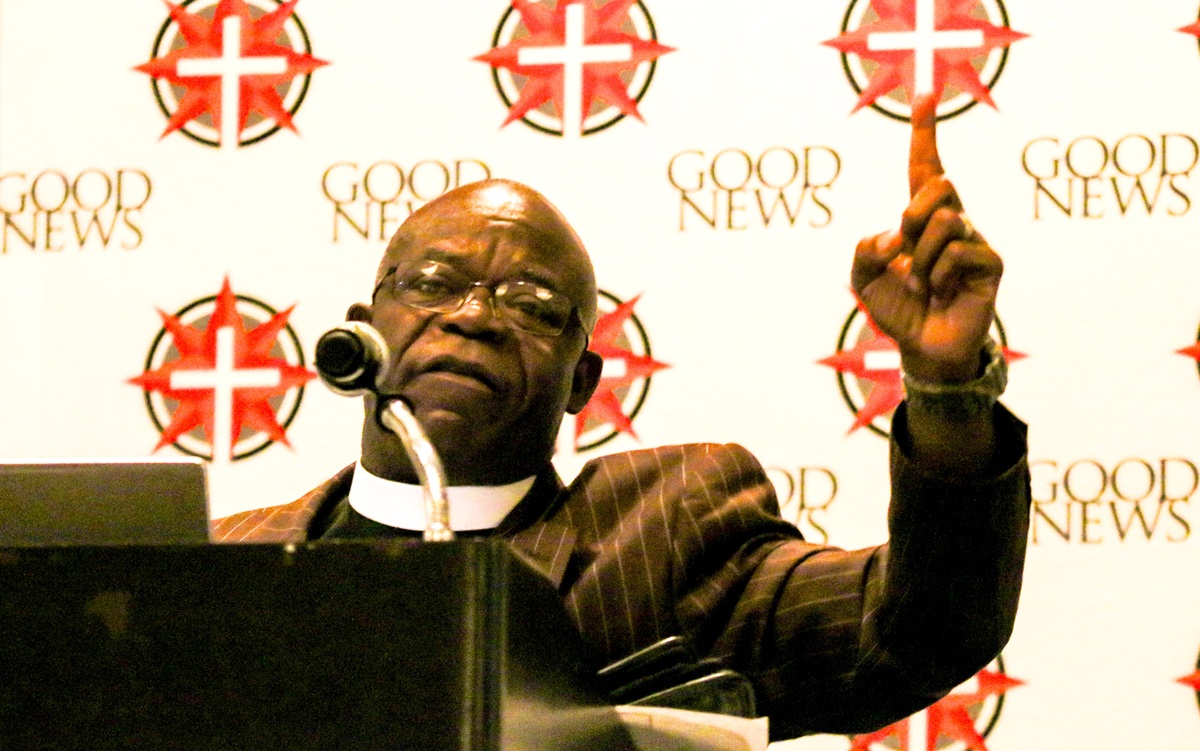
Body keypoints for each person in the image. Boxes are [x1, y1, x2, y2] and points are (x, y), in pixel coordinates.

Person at [213, 96, 1030, 741]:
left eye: (532, 304)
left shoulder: (663, 535)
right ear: (365, 326)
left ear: (583, 381)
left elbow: (916, 626)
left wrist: (945, 385)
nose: (474, 317)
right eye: (432, 283)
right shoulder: (218, 563)